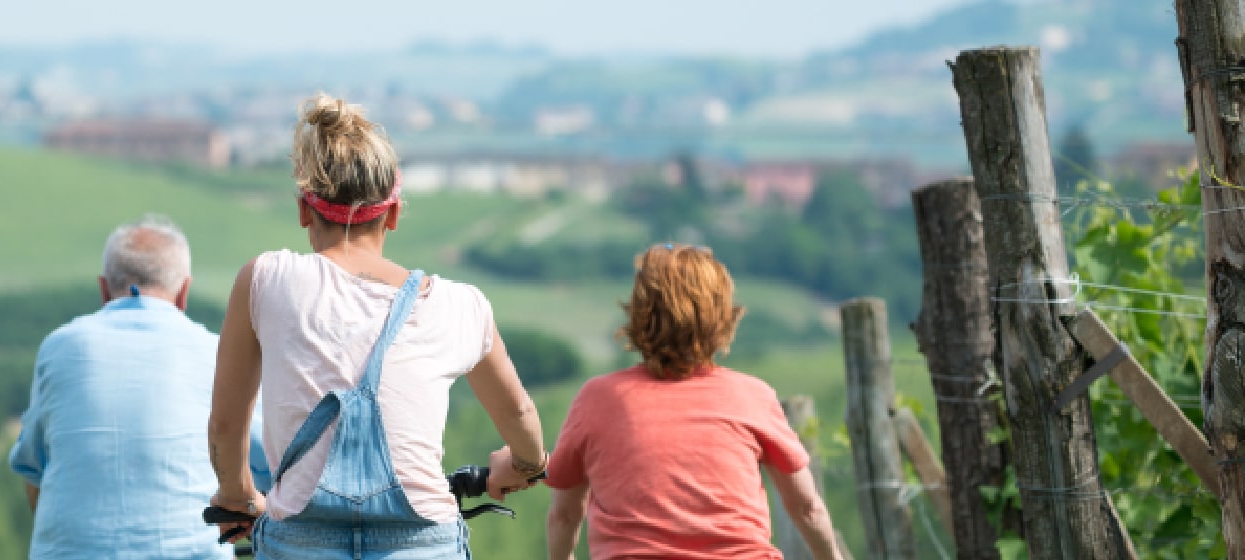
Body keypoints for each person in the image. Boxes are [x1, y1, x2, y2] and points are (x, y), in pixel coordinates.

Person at [205, 93, 548, 559]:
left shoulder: (265, 279)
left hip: (302, 541)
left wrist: (237, 496)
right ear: (394, 214)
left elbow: (227, 424)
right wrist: (524, 464)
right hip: (424, 543)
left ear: (305, 211)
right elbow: (521, 417)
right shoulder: (461, 305)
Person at [543, 244, 841, 560]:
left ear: (641, 313)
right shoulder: (752, 397)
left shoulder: (597, 399)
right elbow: (807, 509)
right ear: (721, 315)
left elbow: (564, 516)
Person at [8, 214, 270, 559]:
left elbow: (33, 468)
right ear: (184, 293)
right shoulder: (215, 354)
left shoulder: (58, 347)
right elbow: (269, 464)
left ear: (104, 290)